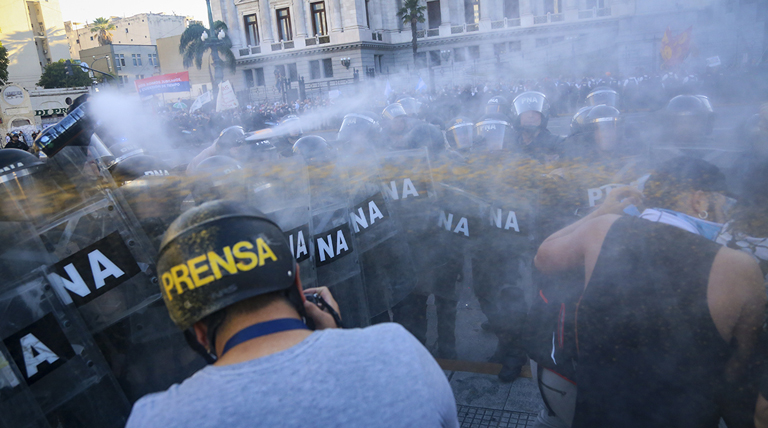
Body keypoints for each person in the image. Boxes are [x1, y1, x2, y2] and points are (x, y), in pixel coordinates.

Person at [125, 201, 458, 428]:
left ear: (194, 329)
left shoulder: (157, 419)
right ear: (298, 283)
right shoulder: (397, 347)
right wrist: (338, 339)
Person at [534, 156, 765, 428]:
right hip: (685, 416)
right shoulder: (739, 268)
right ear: (699, 200)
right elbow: (739, 364)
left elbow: (544, 256)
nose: (726, 214)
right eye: (724, 202)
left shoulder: (603, 228)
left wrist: (602, 211)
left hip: (599, 411)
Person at [511, 91, 564, 164]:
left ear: (542, 116)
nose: (530, 115)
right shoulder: (510, 143)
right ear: (518, 117)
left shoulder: (556, 143)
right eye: (526, 112)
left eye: (535, 112)